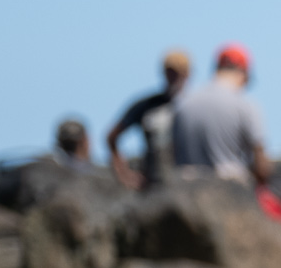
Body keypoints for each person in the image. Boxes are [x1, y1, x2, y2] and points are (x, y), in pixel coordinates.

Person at [171, 44, 270, 187]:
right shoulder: (245, 105)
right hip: (229, 191)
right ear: (244, 74)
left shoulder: (183, 103)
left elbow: (171, 152)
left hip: (186, 189)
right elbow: (262, 168)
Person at [106, 49, 189, 189]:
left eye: (179, 72)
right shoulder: (147, 105)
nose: (174, 76)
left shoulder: (193, 108)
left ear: (187, 74)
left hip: (185, 181)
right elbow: (112, 136)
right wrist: (123, 174)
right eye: (171, 71)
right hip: (153, 183)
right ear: (164, 73)